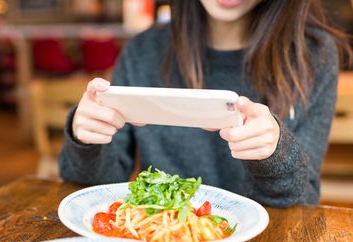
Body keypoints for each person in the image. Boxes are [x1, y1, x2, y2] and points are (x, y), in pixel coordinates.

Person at [59, 0, 352, 207]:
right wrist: (85, 137)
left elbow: (303, 198)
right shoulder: (143, 51)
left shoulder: (313, 54)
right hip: (161, 241)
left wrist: (275, 153)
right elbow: (98, 185)